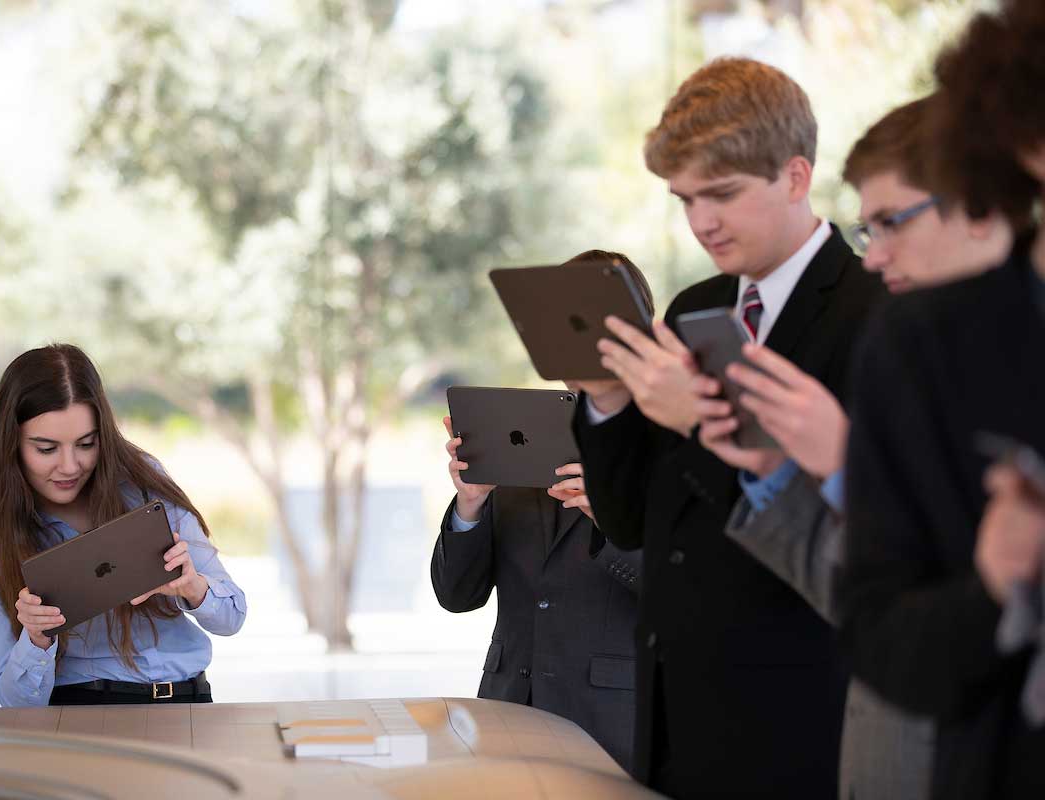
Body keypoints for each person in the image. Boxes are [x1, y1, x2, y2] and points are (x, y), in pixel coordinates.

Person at [570, 57, 885, 796]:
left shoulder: (875, 315)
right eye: (684, 200)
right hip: (675, 711)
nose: (702, 221)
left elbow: (858, 538)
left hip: (801, 718)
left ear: (796, 177)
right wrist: (608, 400)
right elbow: (631, 520)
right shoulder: (693, 305)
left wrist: (700, 421)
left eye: (722, 194)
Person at [692, 93, 1020, 800]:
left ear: (984, 205)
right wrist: (782, 468)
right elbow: (876, 606)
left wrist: (845, 461)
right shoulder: (922, 365)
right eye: (868, 230)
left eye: (892, 223)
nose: (876, 258)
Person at [839, 2, 1045, 797]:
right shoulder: (921, 348)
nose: (879, 255)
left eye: (894, 222)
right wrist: (996, 577)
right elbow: (884, 644)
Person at [430, 250, 650, 772]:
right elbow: (457, 596)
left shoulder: (671, 442)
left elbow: (692, 596)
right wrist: (471, 502)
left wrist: (609, 520)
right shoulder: (520, 430)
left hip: (614, 722)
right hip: (508, 716)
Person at [0, 344, 246, 707]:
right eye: (46, 449)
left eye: (86, 444)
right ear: (10, 445)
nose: (70, 466)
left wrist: (192, 587)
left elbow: (233, 616)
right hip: (86, 717)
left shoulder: (143, 483)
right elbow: (16, 702)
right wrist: (36, 638)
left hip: (190, 707)